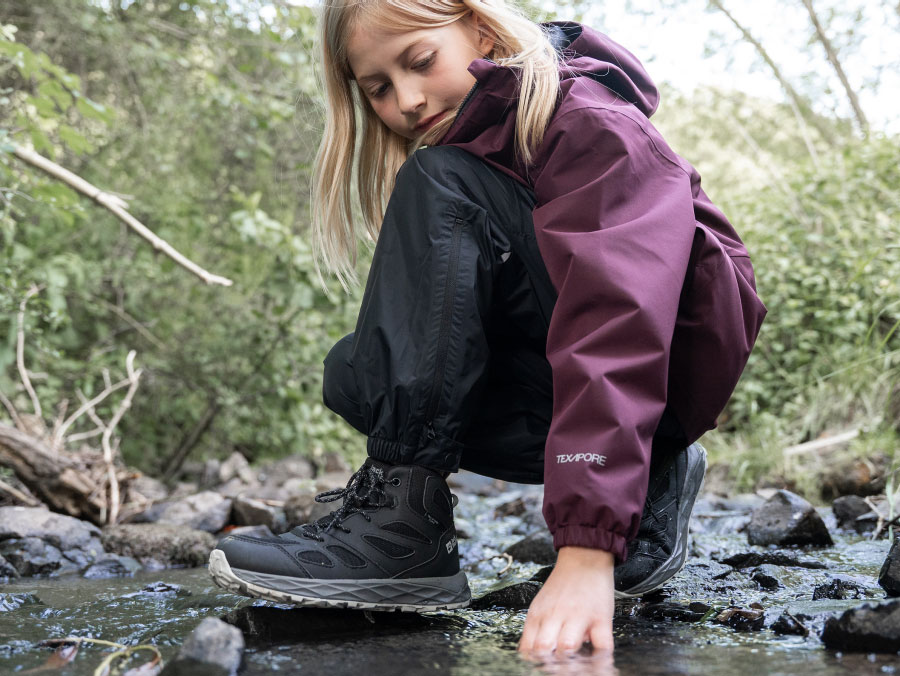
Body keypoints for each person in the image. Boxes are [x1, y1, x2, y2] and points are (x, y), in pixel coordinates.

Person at [209, 0, 767, 655]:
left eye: (421, 61)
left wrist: (585, 551)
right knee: (356, 374)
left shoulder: (589, 123)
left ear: (481, 29)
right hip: (588, 385)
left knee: (439, 182)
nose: (407, 100)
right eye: (379, 88)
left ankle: (404, 531)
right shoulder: (475, 157)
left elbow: (616, 323)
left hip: (659, 370)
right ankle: (634, 484)